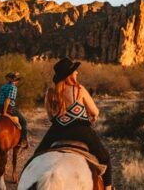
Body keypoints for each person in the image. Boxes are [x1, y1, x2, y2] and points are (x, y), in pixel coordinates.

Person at [35, 57, 113, 189]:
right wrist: (92, 118)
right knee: (105, 158)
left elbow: (50, 117)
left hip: (57, 131)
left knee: (36, 155)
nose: (77, 73)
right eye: (75, 71)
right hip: (81, 131)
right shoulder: (79, 89)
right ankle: (108, 188)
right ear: (69, 75)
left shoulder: (50, 93)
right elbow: (95, 111)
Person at [0, 72, 29, 148]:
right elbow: (8, 99)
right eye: (17, 80)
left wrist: (15, 74)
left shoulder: (3, 87)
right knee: (24, 122)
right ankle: (23, 140)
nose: (17, 81)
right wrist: (5, 112)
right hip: (9, 108)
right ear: (15, 81)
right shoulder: (13, 87)